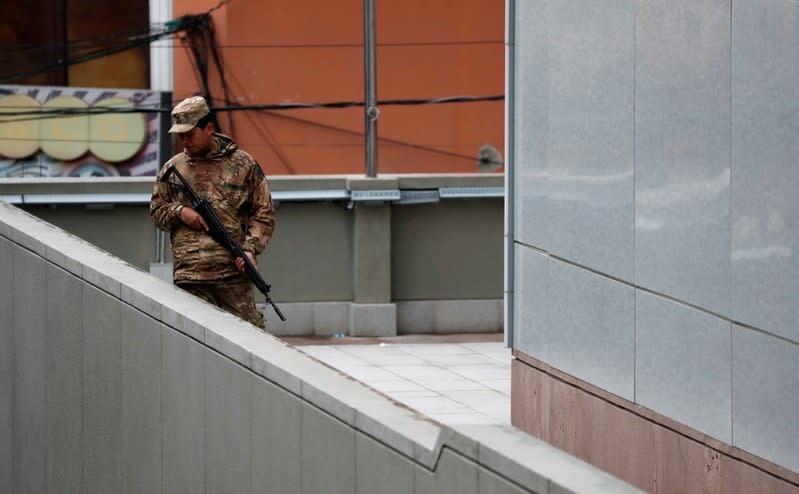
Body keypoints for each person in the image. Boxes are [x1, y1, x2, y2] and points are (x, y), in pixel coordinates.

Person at [150, 96, 275, 330]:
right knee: (196, 345)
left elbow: (263, 211)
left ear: (208, 128)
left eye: (190, 134)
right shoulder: (173, 169)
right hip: (191, 275)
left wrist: (250, 249)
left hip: (232, 272)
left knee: (248, 339)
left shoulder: (243, 165)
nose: (185, 141)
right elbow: (156, 211)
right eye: (181, 136)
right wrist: (180, 212)